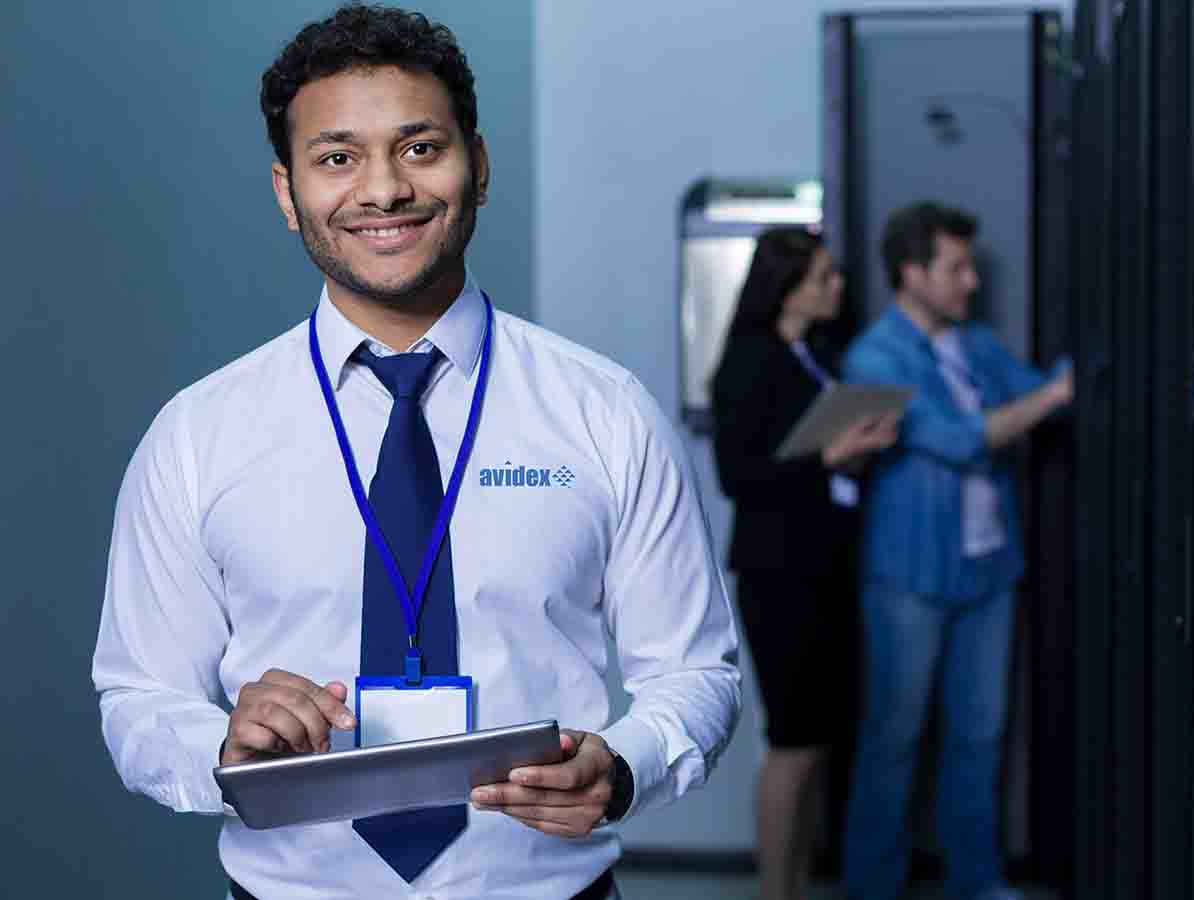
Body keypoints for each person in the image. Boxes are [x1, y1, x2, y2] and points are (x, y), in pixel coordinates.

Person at [91, 6, 740, 899]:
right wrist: (221, 750)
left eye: (420, 148)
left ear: (479, 167)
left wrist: (624, 767)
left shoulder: (605, 413)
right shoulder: (198, 434)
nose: (384, 189)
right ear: (288, 193)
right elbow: (136, 698)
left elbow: (697, 671)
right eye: (336, 158)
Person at [841, 202, 1073, 900]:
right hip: (910, 577)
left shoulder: (974, 345)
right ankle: (872, 889)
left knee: (980, 735)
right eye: (956, 267)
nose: (971, 281)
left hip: (989, 572)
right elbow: (956, 438)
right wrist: (1059, 391)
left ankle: (976, 882)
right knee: (894, 739)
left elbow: (1034, 395)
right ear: (912, 274)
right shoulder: (874, 356)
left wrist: (1063, 385)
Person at [710, 227, 897, 900]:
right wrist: (829, 458)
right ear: (787, 287)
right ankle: (774, 893)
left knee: (818, 740)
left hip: (826, 565)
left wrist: (859, 446)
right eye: (824, 277)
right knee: (792, 738)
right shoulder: (748, 362)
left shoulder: (815, 355)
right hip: (778, 574)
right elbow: (740, 477)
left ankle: (793, 887)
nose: (837, 288)